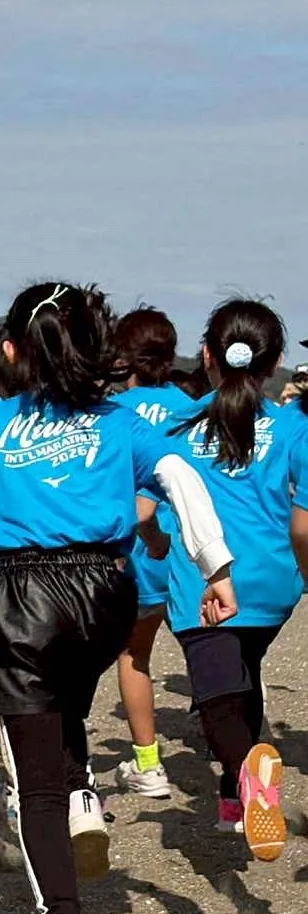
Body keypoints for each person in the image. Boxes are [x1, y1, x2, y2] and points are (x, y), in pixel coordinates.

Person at [0, 280, 236, 914]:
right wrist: (215, 566)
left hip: (24, 597)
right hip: (107, 595)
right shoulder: (120, 422)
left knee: (28, 780)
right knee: (68, 687)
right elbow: (180, 478)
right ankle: (86, 794)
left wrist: (5, 537)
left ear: (9, 352)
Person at [162, 300, 308, 859]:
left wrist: (151, 541)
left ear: (206, 356)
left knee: (219, 699)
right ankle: (232, 800)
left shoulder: (177, 428)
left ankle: (251, 781)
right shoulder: (295, 428)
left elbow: (149, 510)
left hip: (204, 585)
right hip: (274, 585)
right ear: (273, 366)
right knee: (242, 676)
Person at [110, 307, 195, 799]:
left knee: (135, 655)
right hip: (190, 560)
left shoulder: (115, 415)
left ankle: (149, 762)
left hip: (139, 557)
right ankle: (235, 753)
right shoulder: (192, 407)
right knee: (207, 653)